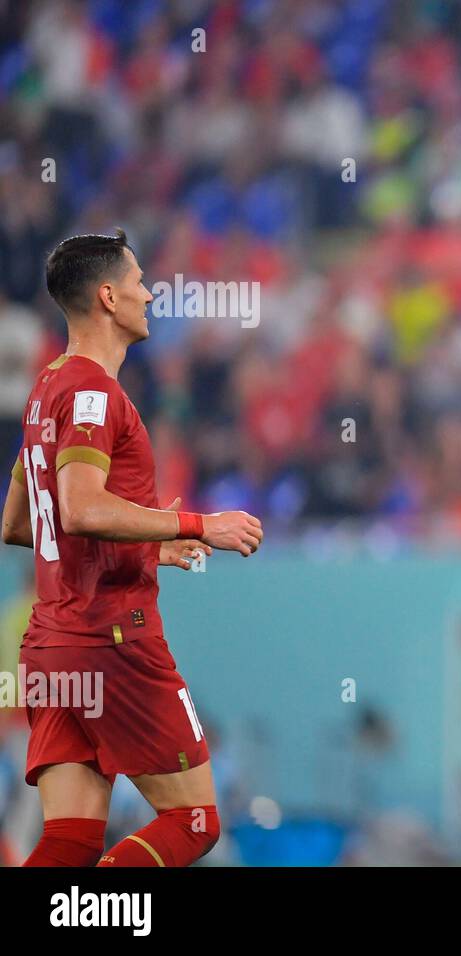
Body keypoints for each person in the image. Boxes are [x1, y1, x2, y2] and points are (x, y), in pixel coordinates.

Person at [0, 230, 263, 866]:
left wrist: (144, 549)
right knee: (194, 820)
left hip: (51, 647)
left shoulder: (46, 392)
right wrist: (198, 526)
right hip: (114, 641)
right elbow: (81, 509)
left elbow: (19, 524)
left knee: (67, 841)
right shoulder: (94, 395)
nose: (150, 293)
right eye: (140, 281)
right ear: (108, 296)